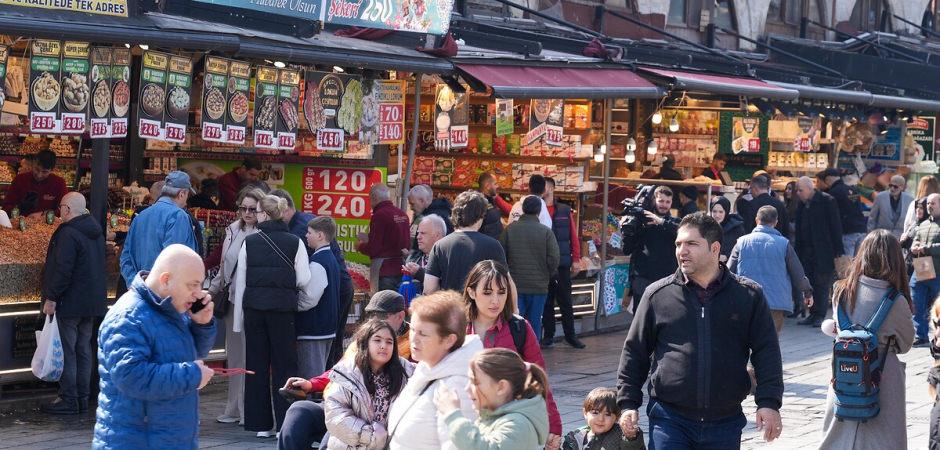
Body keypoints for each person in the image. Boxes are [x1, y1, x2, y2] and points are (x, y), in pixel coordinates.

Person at [617, 213, 783, 449]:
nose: (682, 251)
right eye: (678, 244)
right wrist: (627, 403)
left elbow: (766, 352)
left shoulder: (748, 295)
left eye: (691, 244)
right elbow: (635, 352)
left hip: (725, 421)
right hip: (669, 418)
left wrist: (769, 402)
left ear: (714, 248)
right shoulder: (658, 295)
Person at [93, 245, 216, 449]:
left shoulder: (170, 308)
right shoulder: (128, 317)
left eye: (199, 285)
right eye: (191, 285)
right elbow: (131, 377)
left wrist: (201, 325)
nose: (198, 294)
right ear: (166, 280)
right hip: (137, 441)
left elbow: (191, 353)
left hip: (167, 437)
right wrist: (192, 375)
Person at [818, 230, 915, 449]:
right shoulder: (895, 300)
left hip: (844, 373)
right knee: (882, 436)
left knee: (839, 435)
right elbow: (905, 344)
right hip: (882, 375)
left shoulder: (841, 291)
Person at [231, 195, 311, 437]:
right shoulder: (295, 242)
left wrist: (238, 321)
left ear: (264, 214)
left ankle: (260, 425)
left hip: (254, 310)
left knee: (256, 365)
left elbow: (241, 282)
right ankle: (286, 423)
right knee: (285, 365)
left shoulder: (250, 242)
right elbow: (304, 279)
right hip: (282, 311)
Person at [463, 260, 563, 448]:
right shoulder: (456, 329)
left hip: (508, 425)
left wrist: (553, 426)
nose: (495, 300)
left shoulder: (519, 328)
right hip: (465, 419)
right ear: (471, 292)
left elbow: (538, 380)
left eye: (502, 292)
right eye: (487, 292)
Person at [279, 319, 415, 450]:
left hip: (388, 436)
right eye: (377, 340)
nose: (383, 345)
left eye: (389, 342)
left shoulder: (409, 365)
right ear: (365, 343)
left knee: (333, 437)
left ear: (400, 316)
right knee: (300, 411)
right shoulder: (350, 367)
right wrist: (311, 384)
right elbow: (338, 375)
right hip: (350, 419)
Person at [268, 188, 354, 369]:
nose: (270, 218)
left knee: (317, 362)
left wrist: (291, 301)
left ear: (283, 208)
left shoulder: (300, 232)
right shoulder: (305, 223)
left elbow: (305, 281)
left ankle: (324, 391)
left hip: (326, 301)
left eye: (272, 212)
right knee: (328, 350)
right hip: (336, 289)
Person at [387, 291, 484, 450]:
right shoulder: (427, 368)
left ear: (448, 340)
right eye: (413, 329)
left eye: (423, 334)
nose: (413, 339)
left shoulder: (458, 386)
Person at [39, 192, 107, 415]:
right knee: (83, 349)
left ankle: (69, 398)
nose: (59, 212)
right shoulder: (94, 230)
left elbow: (62, 269)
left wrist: (51, 297)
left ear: (67, 209)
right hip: (90, 303)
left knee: (68, 350)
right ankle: (82, 397)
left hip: (70, 301)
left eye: (60, 207)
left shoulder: (68, 233)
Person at [206, 188, 264, 425]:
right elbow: (224, 268)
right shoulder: (232, 230)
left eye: (253, 209)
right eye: (244, 208)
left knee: (251, 357)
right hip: (231, 299)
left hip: (252, 302)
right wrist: (210, 291)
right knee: (236, 356)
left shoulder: (263, 234)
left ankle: (247, 408)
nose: (248, 213)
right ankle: (234, 407)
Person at [433, 348, 550, 449]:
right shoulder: (492, 417)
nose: (467, 388)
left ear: (501, 387)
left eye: (475, 382)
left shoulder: (519, 425)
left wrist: (453, 416)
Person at [728, 206, 813, 333]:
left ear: (757, 220)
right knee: (771, 341)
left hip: (747, 299)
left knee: (746, 339)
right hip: (775, 302)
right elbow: (798, 273)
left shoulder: (741, 242)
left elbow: (729, 271)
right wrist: (807, 292)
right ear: (776, 222)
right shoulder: (784, 244)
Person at [119, 171, 199, 287]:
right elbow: (174, 260)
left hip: (141, 291)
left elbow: (125, 258)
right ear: (182, 194)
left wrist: (136, 284)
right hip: (165, 295)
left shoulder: (140, 217)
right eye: (187, 195)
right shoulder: (178, 216)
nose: (186, 200)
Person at [424, 190, 506, 293]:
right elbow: (504, 282)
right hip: (480, 307)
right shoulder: (493, 245)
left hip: (449, 306)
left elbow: (429, 288)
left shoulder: (440, 246)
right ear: (480, 216)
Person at [500, 195, 559, 338]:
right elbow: (554, 258)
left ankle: (515, 353)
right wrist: (546, 275)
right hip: (538, 287)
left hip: (515, 286)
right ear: (539, 211)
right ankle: (532, 355)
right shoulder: (546, 232)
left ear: (523, 210)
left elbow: (501, 256)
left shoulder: (510, 230)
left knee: (514, 322)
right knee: (534, 324)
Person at [794, 176, 844, 327]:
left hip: (824, 250)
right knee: (809, 283)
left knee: (821, 283)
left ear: (810, 188)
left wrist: (838, 249)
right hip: (806, 250)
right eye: (797, 190)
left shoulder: (827, 201)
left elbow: (835, 226)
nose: (798, 193)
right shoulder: (802, 204)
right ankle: (812, 313)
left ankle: (819, 314)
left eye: (800, 190)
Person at [542, 177, 585, 349]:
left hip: (562, 262)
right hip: (544, 263)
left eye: (544, 186)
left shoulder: (564, 210)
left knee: (565, 300)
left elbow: (573, 236)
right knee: (547, 302)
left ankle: (570, 334)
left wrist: (576, 258)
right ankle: (548, 335)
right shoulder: (536, 210)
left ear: (552, 188)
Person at [620, 185, 679, 311]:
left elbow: (682, 231)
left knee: (663, 316)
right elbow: (627, 249)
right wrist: (628, 230)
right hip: (642, 278)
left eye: (667, 202)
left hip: (666, 279)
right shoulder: (641, 222)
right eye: (661, 201)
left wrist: (661, 222)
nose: (664, 205)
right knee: (641, 316)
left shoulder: (674, 223)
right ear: (654, 200)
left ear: (671, 203)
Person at [296, 216, 340, 379]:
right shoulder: (331, 259)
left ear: (320, 235)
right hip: (326, 328)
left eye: (309, 233)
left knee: (310, 379)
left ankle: (311, 405)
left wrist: (293, 305)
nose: (306, 236)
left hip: (313, 330)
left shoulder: (318, 262)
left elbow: (309, 299)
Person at [357, 183, 410, 292]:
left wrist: (360, 246)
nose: (370, 204)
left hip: (384, 271)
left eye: (370, 199)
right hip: (401, 268)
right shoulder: (402, 214)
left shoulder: (379, 215)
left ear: (374, 198)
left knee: (382, 305)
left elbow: (374, 249)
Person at [562, 387, 645, 450]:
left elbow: (633, 447)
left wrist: (631, 437)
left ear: (617, 417)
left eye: (607, 414)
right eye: (595, 413)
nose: (600, 419)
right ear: (585, 413)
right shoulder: (575, 438)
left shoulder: (621, 435)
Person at [910, 193, 940, 346]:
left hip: (938, 272)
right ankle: (920, 335)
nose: (929, 206)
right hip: (921, 268)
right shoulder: (923, 224)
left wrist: (926, 249)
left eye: (933, 203)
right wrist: (914, 247)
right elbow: (915, 240)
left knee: (938, 306)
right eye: (928, 203)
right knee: (917, 302)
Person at [3, 149, 67, 217]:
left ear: (52, 170)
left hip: (48, 225)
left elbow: (65, 209)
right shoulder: (20, 179)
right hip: (20, 223)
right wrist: (19, 208)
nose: (39, 175)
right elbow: (6, 207)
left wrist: (43, 214)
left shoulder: (59, 183)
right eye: (37, 169)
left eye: (44, 172)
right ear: (33, 163)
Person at [819, 168, 867, 256]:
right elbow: (857, 208)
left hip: (847, 232)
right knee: (858, 264)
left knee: (846, 265)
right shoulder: (853, 191)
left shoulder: (833, 193)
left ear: (828, 179)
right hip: (861, 230)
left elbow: (832, 215)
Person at [404, 214, 447, 294]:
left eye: (423, 233)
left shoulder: (448, 260)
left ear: (437, 235)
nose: (418, 237)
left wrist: (420, 273)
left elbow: (446, 289)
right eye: (418, 233)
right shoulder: (413, 258)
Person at [364, 290, 412, 360]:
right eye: (371, 314)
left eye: (381, 315)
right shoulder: (363, 337)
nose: (374, 320)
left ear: (400, 316)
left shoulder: (415, 342)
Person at [709, 196, 745, 263]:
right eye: (714, 211)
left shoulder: (736, 228)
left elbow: (741, 248)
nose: (717, 215)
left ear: (726, 212)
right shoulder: (705, 226)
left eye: (721, 212)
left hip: (729, 267)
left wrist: (727, 256)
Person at [477, 172, 510, 239]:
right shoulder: (478, 203)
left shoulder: (491, 199)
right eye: (495, 184)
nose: (497, 186)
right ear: (487, 186)